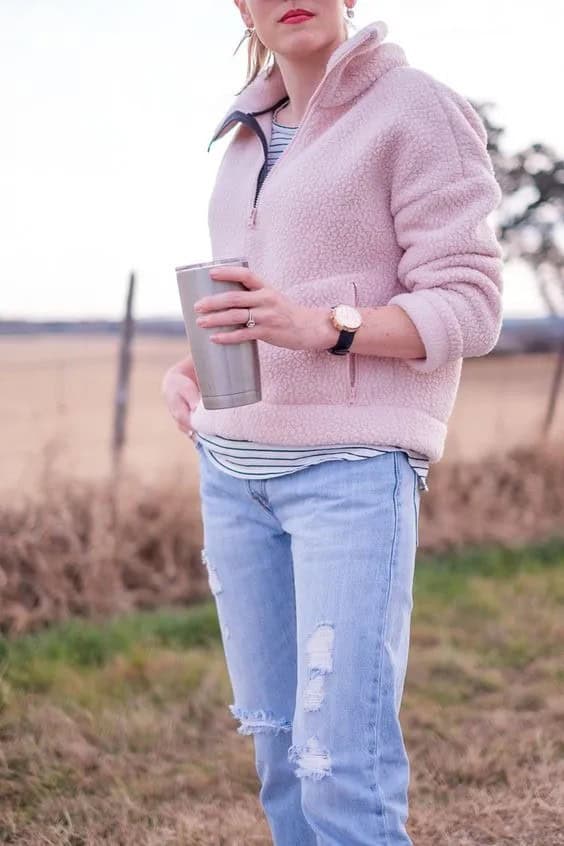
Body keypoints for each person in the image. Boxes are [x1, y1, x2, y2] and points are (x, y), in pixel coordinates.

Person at [162, 2, 504, 844]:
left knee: (340, 769)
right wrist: (192, 366)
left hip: (350, 473)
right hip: (232, 472)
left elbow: (472, 304)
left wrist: (331, 326)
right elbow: (261, 293)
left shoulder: (416, 107)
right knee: (281, 760)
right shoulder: (245, 133)